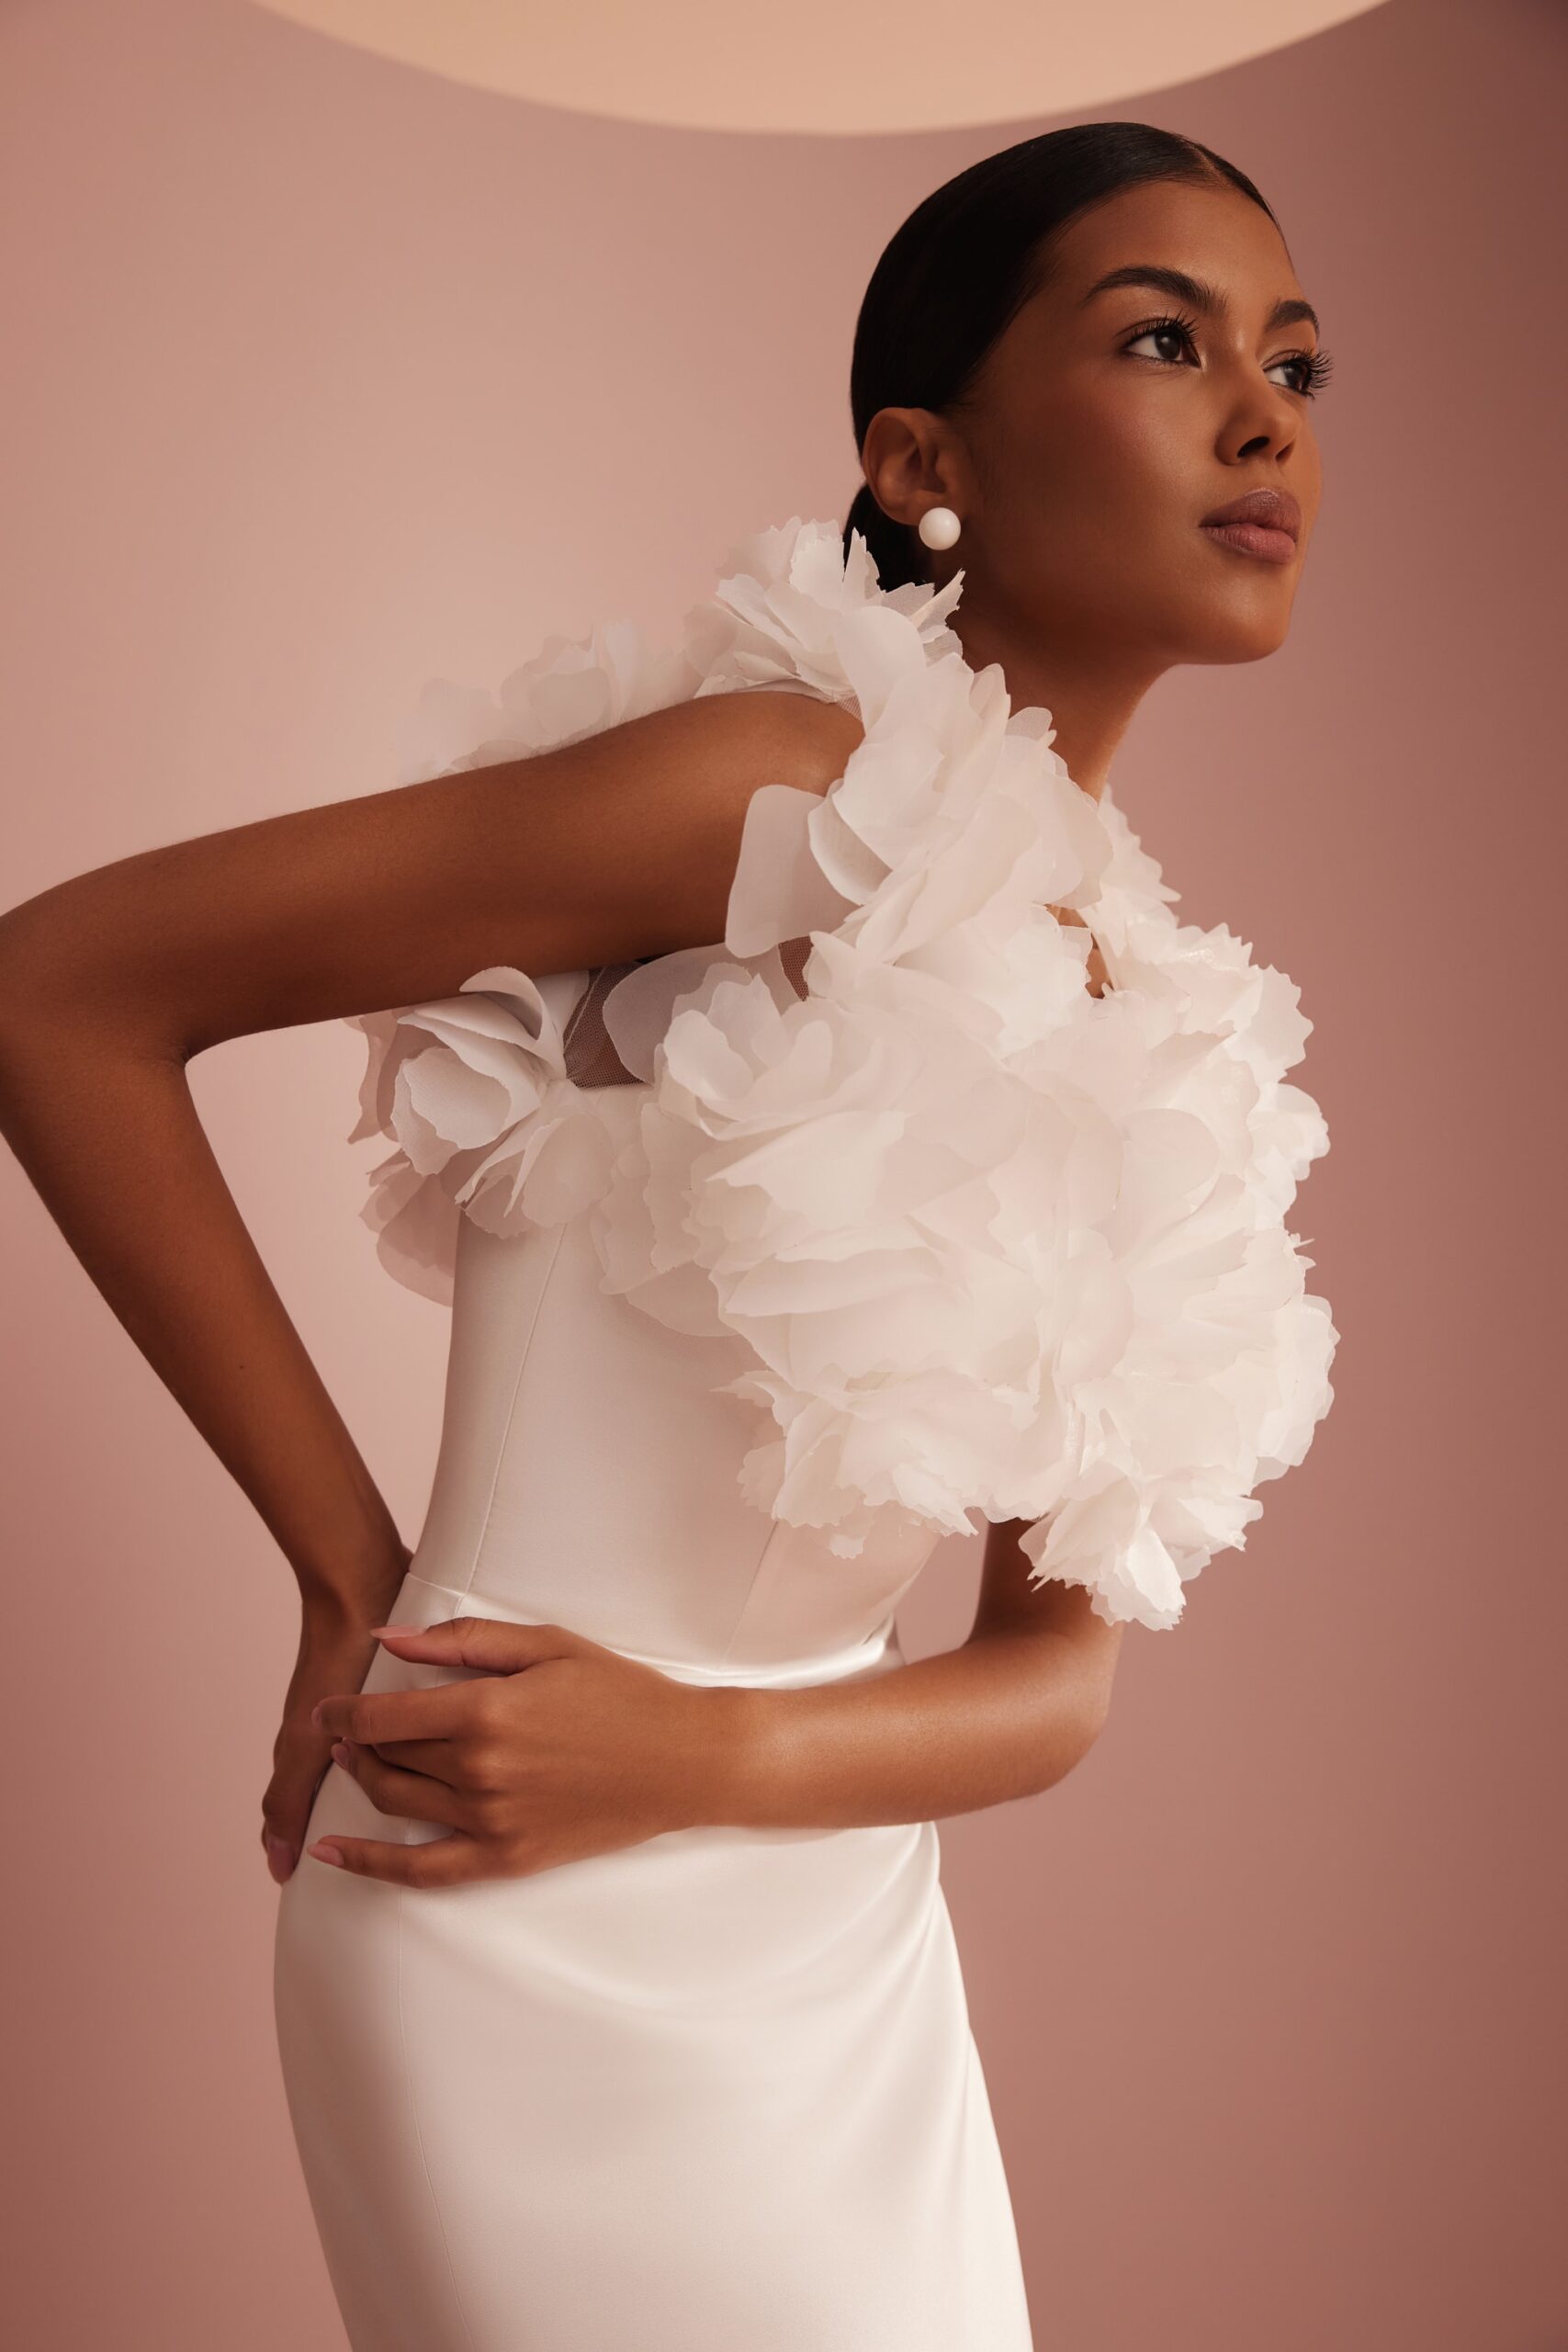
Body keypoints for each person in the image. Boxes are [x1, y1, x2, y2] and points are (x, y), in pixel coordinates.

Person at [0, 119, 1337, 2352]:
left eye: (1292, 361)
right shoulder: (764, 791)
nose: (1263, 414)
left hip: (838, 1939)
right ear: (921, 461)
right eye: (1158, 340)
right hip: (497, 1890)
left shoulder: (1147, 1007)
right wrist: (345, 1572)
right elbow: (62, 992)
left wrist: (708, 1759)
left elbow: (1050, 1678)